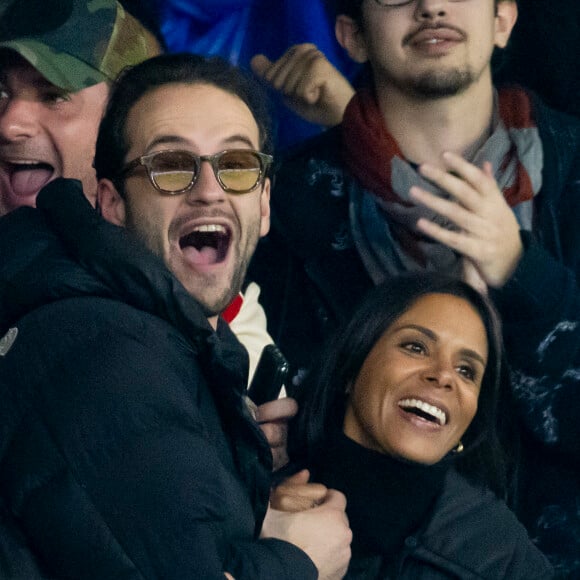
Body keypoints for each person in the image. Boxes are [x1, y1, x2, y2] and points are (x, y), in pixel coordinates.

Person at [249, 0, 580, 574]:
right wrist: (265, 490)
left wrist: (521, 274)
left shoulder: (574, 170)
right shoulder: (289, 202)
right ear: (352, 35)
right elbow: (265, 415)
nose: (431, 5)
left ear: (503, 19)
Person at [0, 53, 352, 579]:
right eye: (170, 166)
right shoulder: (105, 353)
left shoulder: (161, 344)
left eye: (235, 165)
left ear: (265, 203)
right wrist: (298, 560)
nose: (209, 189)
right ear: (111, 203)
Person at [272, 273, 553, 578]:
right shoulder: (259, 502)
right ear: (351, 367)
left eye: (466, 370)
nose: (444, 376)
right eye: (416, 347)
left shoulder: (503, 558)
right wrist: (273, 557)